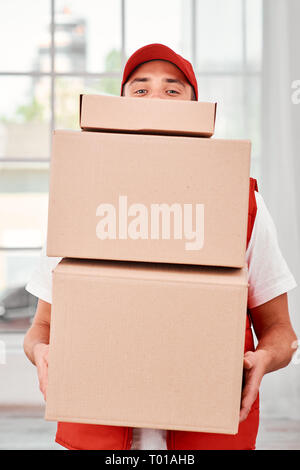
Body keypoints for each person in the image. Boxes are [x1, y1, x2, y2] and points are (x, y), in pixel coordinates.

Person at [23, 43, 298, 450]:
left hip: (206, 434)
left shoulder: (241, 205)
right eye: (140, 89)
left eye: (173, 90)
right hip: (99, 435)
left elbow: (282, 333)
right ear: (119, 108)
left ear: (196, 110)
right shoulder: (80, 201)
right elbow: (40, 328)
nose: (156, 99)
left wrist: (263, 360)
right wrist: (40, 352)